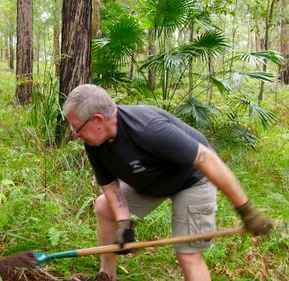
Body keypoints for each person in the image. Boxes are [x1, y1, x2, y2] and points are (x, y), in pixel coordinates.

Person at [62, 84, 273, 281]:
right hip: (151, 179)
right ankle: (107, 276)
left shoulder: (148, 129)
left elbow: (208, 160)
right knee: (103, 206)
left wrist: (246, 210)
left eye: (76, 128)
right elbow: (110, 186)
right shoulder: (94, 143)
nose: (75, 135)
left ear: (98, 120)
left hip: (191, 180)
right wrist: (124, 222)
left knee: (187, 254)